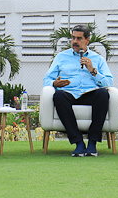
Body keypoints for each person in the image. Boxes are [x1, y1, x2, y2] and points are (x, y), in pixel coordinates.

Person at [42, 24, 114, 157]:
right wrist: (54, 83)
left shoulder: (97, 59)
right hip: (69, 93)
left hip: (89, 94)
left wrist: (93, 71)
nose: (75, 41)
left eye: (79, 38)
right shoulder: (61, 57)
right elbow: (46, 80)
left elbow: (109, 82)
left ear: (87, 40)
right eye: (73, 38)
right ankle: (78, 142)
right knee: (58, 96)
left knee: (103, 94)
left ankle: (92, 142)